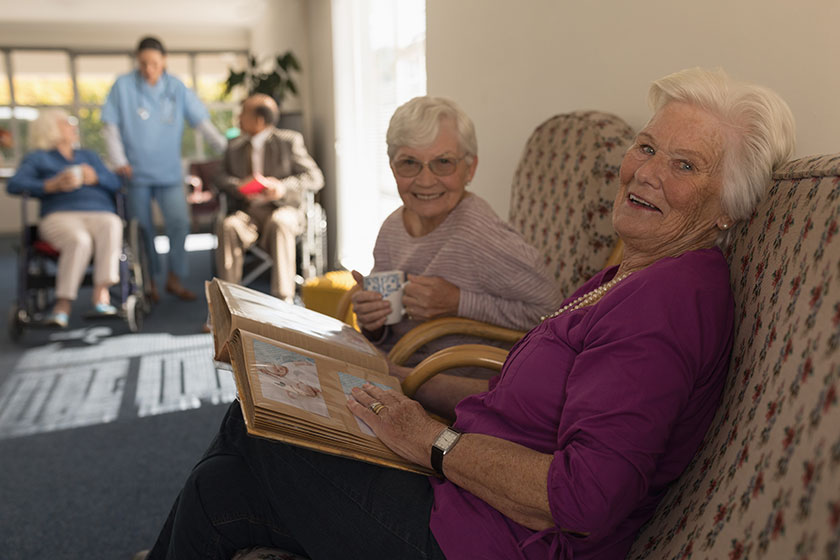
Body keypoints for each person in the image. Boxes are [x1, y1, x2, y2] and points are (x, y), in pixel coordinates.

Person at [140, 68, 795, 559]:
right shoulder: (634, 271)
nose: (646, 172)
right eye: (647, 147)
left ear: (725, 207)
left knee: (259, 427)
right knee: (222, 486)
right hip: (466, 492)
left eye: (684, 165)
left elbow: (584, 499)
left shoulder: (667, 307)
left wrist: (431, 437)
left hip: (487, 539)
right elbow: (529, 390)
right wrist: (397, 385)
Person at [351, 96, 562, 369]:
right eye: (409, 163)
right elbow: (388, 331)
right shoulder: (392, 228)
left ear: (469, 168)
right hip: (402, 362)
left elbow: (554, 312)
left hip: (460, 379)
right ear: (393, 168)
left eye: (443, 162)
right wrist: (373, 322)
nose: (426, 181)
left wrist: (459, 302)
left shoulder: (480, 235)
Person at [102, 35, 227, 302]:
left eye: (154, 63)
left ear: (164, 61)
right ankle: (149, 283)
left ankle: (174, 278)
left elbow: (202, 123)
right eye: (144, 63)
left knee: (179, 223)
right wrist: (119, 160)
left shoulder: (177, 88)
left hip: (169, 171)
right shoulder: (122, 87)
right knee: (142, 228)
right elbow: (110, 127)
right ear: (137, 61)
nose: (149, 69)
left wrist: (227, 149)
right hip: (135, 172)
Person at [7, 109, 123, 328]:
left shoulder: (89, 156)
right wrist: (50, 185)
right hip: (60, 216)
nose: (73, 126)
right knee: (79, 240)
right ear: (51, 128)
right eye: (66, 123)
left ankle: (101, 294)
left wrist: (96, 177)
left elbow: (117, 184)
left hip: (99, 213)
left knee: (113, 223)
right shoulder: (38, 158)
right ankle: (63, 305)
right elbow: (15, 185)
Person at [214, 94, 324, 302]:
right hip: (249, 215)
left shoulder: (289, 141)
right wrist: (239, 186)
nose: (238, 119)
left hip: (284, 210)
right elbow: (219, 177)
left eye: (243, 114)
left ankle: (284, 300)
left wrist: (281, 187)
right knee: (228, 226)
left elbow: (315, 177)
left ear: (259, 120)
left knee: (280, 222)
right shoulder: (234, 147)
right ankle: (228, 302)